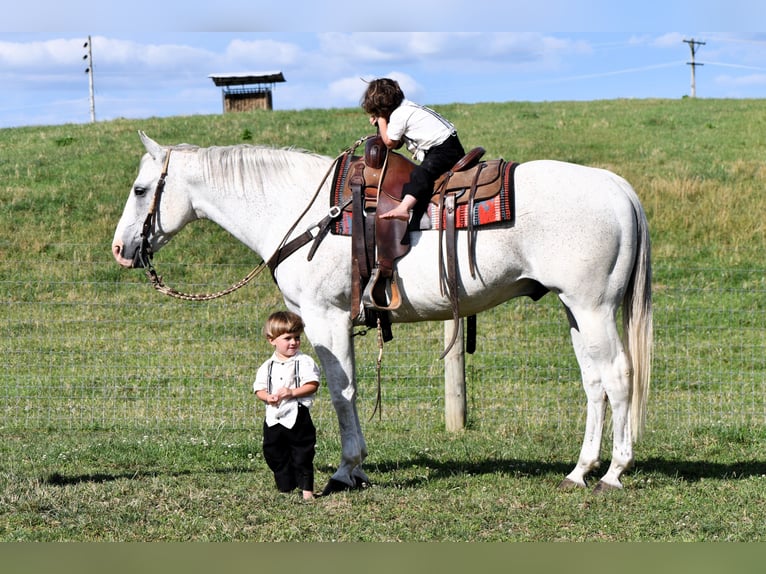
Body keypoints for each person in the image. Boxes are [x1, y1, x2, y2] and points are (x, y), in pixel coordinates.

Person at [360, 77, 466, 221]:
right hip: (448, 145)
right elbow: (397, 143)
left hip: (444, 148)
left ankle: (404, 208)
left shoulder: (399, 114)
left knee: (421, 174)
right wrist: (382, 123)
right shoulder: (406, 108)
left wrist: (381, 120)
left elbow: (390, 143)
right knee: (423, 172)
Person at [253, 311, 320, 501]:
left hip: (297, 415)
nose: (293, 342)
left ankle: (307, 490)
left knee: (302, 453)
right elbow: (259, 388)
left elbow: (312, 384)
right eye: (287, 338)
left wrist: (291, 392)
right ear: (271, 340)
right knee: (273, 452)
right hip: (273, 417)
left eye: (297, 338)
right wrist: (268, 397)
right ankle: (286, 486)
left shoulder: (304, 362)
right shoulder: (267, 366)